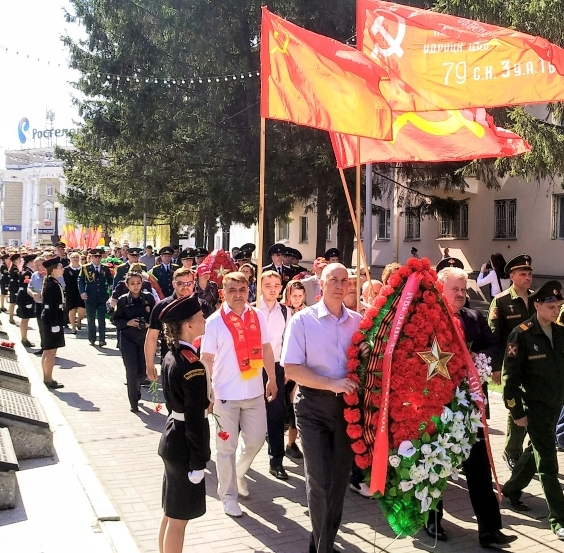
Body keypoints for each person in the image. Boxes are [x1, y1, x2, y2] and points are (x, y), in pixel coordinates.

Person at [424, 267, 516, 547]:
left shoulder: (474, 317)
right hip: (439, 406)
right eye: (455, 289)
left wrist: (479, 357)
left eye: (464, 289)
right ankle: (432, 521)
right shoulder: (427, 320)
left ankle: (489, 530)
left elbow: (494, 345)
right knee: (436, 464)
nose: (461, 294)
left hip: (471, 407)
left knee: (479, 468)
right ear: (440, 289)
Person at [281, 263, 362, 553]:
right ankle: (324, 548)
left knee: (338, 484)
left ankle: (320, 545)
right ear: (321, 284)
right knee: (319, 482)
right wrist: (331, 383)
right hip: (313, 407)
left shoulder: (358, 322)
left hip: (347, 411)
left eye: (344, 280)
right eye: (333, 280)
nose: (340, 285)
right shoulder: (302, 321)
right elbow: (292, 368)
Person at [201, 272, 277, 518]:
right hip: (225, 394)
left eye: (242, 289)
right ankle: (228, 496)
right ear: (223, 292)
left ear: (248, 290)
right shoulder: (214, 322)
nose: (238, 294)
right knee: (226, 448)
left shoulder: (258, 316)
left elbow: (266, 348)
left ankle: (239, 472)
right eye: (232, 290)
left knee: (256, 440)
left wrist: (272, 378)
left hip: (254, 392)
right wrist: (206, 389)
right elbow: (207, 358)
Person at [501, 281, 564, 541]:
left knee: (535, 450)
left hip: (556, 404)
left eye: (559, 306)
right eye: (551, 307)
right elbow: (509, 379)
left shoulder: (560, 332)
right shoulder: (521, 335)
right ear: (537, 305)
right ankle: (559, 519)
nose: (556, 311)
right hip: (534, 406)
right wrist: (517, 412)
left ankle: (511, 489)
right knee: (548, 462)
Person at [157, 294, 211, 553]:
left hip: (173, 436)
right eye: (200, 317)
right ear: (188, 325)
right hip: (184, 447)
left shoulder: (173, 354)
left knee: (170, 512)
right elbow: (195, 420)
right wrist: (198, 462)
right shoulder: (193, 366)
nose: (204, 320)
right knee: (179, 520)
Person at [488, 254, 535, 471]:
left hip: (536, 361)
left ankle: (532, 451)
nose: (528, 277)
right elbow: (494, 336)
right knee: (517, 406)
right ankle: (512, 451)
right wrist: (495, 367)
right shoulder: (501, 301)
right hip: (513, 363)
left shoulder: (537, 298)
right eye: (523, 274)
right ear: (512, 276)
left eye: (529, 273)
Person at [255, 270, 290, 480]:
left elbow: (288, 341)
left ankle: (276, 461)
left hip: (276, 367)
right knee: (247, 412)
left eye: (276, 285)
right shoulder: (251, 309)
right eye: (268, 285)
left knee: (276, 413)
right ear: (260, 287)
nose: (272, 289)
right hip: (253, 367)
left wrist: (286, 369)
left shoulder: (286, 312)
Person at [112, 271, 156, 412]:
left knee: (142, 372)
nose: (136, 286)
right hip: (128, 339)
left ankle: (137, 389)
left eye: (138, 283)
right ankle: (133, 402)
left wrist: (149, 325)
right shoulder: (123, 300)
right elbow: (115, 319)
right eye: (132, 283)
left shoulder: (148, 298)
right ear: (127, 285)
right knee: (131, 371)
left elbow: (156, 317)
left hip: (144, 340)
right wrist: (128, 322)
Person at [145, 268, 196, 382]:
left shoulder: (201, 305)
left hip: (197, 361)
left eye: (189, 283)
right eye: (180, 283)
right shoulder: (162, 307)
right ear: (174, 284)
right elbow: (152, 337)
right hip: (171, 361)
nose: (185, 287)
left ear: (193, 284)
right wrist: (149, 365)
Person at [280, 280, 306, 459]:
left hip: (300, 364)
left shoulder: (307, 313)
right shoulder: (282, 312)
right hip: (281, 362)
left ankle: (291, 443)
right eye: (293, 295)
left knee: (293, 403)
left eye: (300, 296)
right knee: (280, 406)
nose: (297, 299)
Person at [78, 248, 114, 346]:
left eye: (99, 256)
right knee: (91, 318)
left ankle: (102, 339)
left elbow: (110, 279)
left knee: (101, 319)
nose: (97, 258)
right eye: (95, 256)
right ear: (91, 257)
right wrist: (82, 292)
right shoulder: (85, 268)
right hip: (90, 296)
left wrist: (111, 285)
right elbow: (80, 280)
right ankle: (92, 338)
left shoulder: (105, 268)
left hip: (102, 296)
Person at [40, 257, 66, 390]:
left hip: (51, 318)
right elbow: (51, 306)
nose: (63, 269)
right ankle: (48, 379)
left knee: (47, 350)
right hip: (52, 319)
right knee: (50, 351)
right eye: (60, 267)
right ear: (54, 269)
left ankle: (47, 377)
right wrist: (55, 324)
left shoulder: (53, 282)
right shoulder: (52, 285)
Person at [16, 253, 38, 348]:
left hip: (26, 296)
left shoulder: (29, 271)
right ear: (31, 261)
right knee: (25, 318)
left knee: (26, 318)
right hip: (25, 297)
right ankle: (24, 339)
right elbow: (26, 287)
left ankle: (24, 338)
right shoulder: (27, 273)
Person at [63, 252, 86, 334]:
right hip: (70, 292)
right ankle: (73, 326)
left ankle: (79, 320)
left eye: (77, 257)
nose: (75, 259)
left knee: (82, 310)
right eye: (73, 257)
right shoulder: (66, 269)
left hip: (81, 292)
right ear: (70, 258)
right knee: (71, 310)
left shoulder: (83, 268)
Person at [7, 253, 20, 324]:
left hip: (13, 286)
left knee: (13, 302)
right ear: (15, 260)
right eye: (19, 259)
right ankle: (11, 317)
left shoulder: (15, 267)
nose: (20, 260)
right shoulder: (14, 268)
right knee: (13, 302)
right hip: (14, 286)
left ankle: (11, 316)